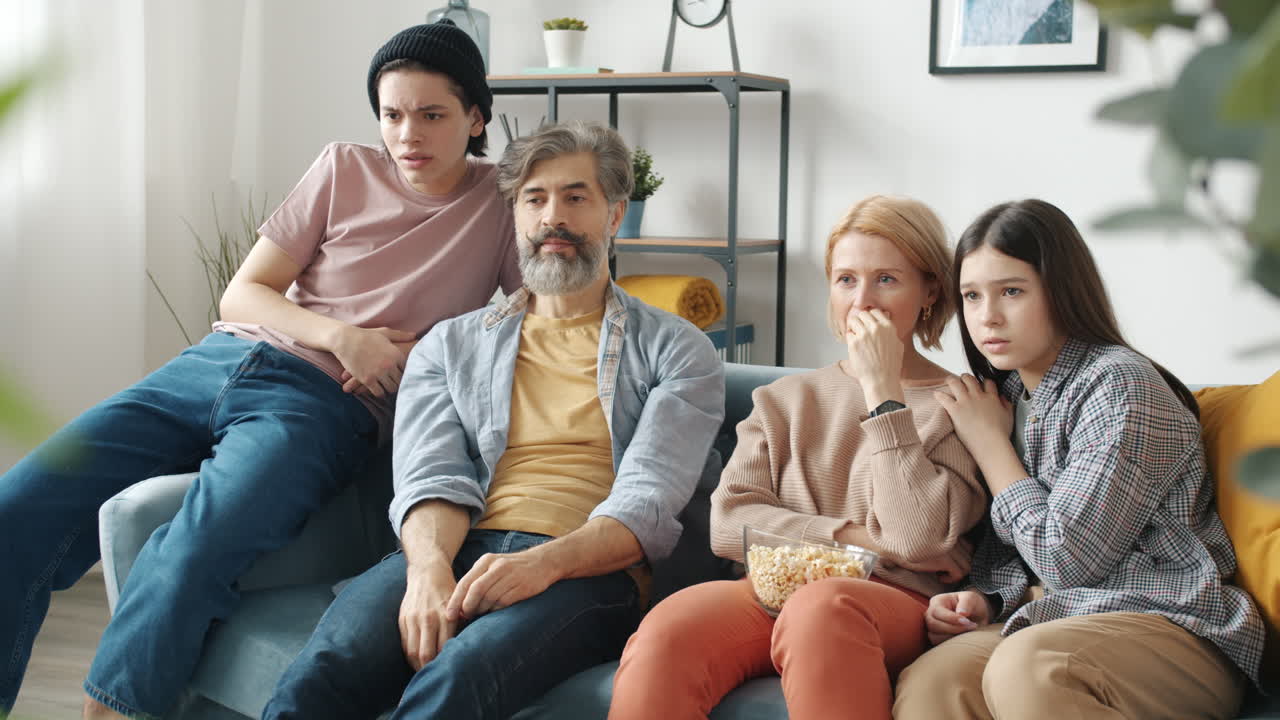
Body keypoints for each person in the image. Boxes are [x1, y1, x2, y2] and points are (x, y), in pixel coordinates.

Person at [0, 19, 521, 720]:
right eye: (392, 115)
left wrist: (422, 360)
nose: (407, 136)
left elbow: (534, 325)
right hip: (213, 363)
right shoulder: (342, 168)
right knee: (20, 504)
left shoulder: (502, 203)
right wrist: (345, 337)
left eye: (432, 115)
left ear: (476, 117)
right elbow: (242, 293)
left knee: (195, 548)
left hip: (320, 406)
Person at [261, 120, 725, 720]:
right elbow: (431, 475)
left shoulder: (679, 350)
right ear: (515, 216)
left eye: (575, 197)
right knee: (330, 663)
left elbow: (646, 505)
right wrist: (427, 571)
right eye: (534, 199)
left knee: (462, 673)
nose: (552, 217)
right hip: (460, 545)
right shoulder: (448, 346)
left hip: (586, 568)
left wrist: (540, 565)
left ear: (614, 215)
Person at [608, 195, 986, 720]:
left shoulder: (959, 406)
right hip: (771, 587)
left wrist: (883, 391)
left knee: (821, 608)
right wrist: (867, 541)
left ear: (930, 291)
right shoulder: (785, 399)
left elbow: (919, 538)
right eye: (846, 280)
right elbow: (729, 522)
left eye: (886, 280)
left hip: (891, 602)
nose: (862, 301)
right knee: (671, 627)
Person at [893, 198, 1266, 719]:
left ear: (1062, 291)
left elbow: (1067, 559)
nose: (987, 316)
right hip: (1058, 616)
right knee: (934, 680)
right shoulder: (1003, 397)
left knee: (1031, 666)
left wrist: (990, 446)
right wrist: (988, 599)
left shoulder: (1120, 385)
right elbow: (1016, 554)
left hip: (1172, 623)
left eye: (1012, 291)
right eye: (972, 295)